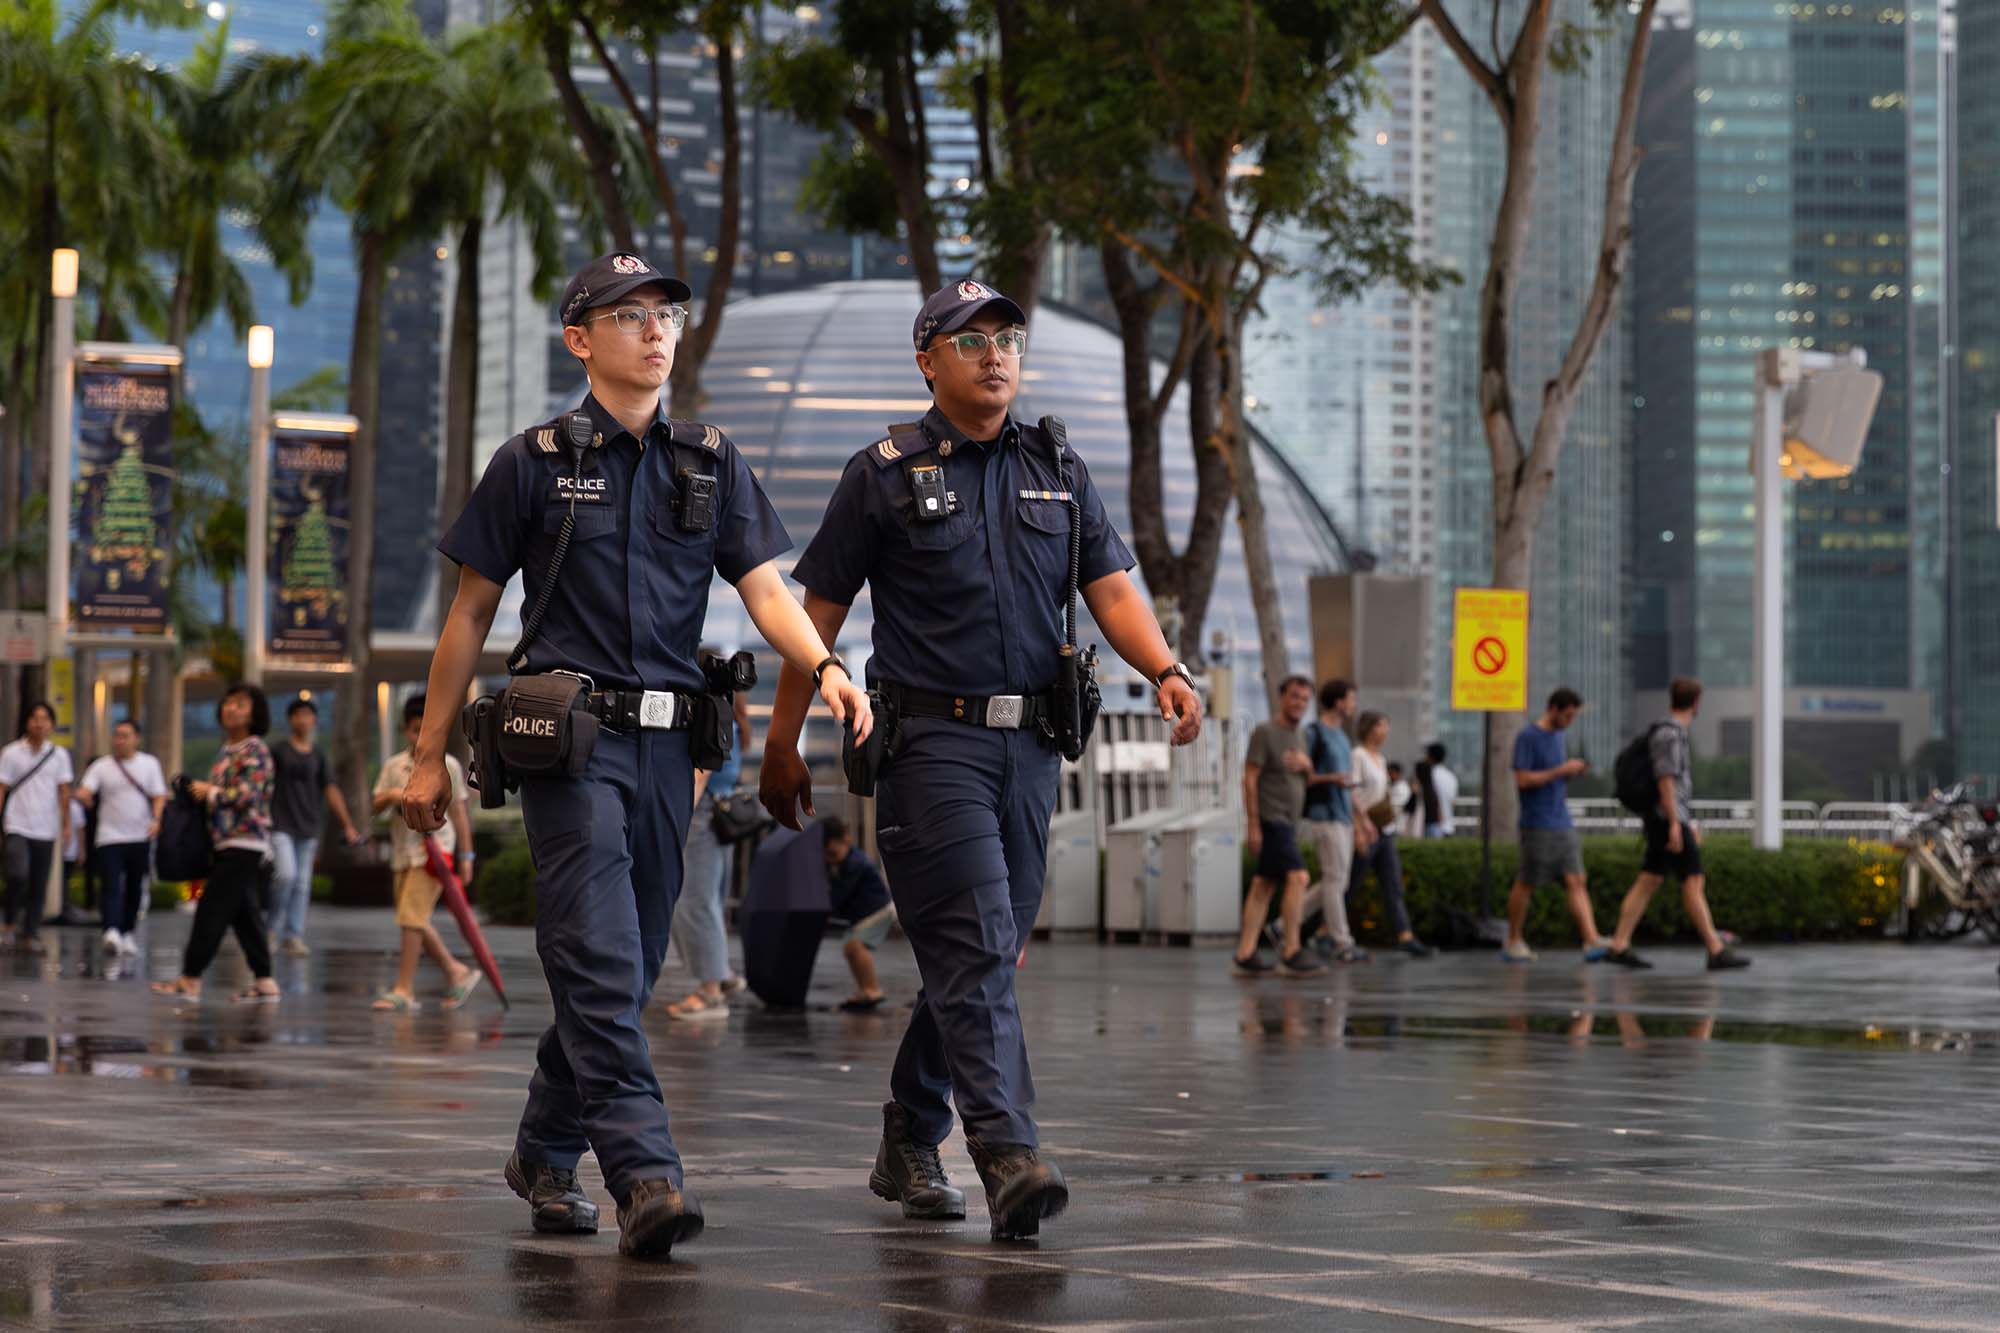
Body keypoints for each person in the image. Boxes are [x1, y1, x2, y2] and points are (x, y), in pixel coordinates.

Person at [399, 251, 871, 1260]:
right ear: (580, 339)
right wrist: (428, 758)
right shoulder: (530, 461)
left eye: (666, 314)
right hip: (569, 746)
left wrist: (826, 665)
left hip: (669, 751)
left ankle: (542, 1148)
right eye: (629, 316)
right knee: (602, 957)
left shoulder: (710, 459)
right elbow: (469, 614)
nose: (656, 330)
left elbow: (765, 589)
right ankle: (644, 1173)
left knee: (628, 960)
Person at [759, 278, 1202, 1242]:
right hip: (931, 746)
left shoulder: (1058, 466)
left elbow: (1111, 589)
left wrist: (1165, 667)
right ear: (928, 361)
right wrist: (782, 741)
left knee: (987, 949)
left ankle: (911, 1132)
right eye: (971, 341)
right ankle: (1007, 1151)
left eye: (1008, 338)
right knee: (974, 939)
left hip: (1031, 749)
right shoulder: (882, 473)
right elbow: (816, 614)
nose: (995, 354)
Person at [1603, 677, 1751, 971]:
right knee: (1692, 881)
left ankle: (1619, 944)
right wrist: (1675, 823)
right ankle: (1715, 949)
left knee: (1650, 880)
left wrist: (1683, 820)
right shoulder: (1670, 734)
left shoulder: (1669, 731)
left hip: (1668, 818)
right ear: (1696, 702)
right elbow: (1666, 780)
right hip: (1666, 818)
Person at [151, 683, 280, 1003]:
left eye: (240, 704)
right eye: (228, 702)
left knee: (211, 908)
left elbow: (250, 794)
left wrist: (211, 792)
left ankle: (190, 978)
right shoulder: (227, 750)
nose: (230, 708)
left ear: (255, 713)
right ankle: (265, 982)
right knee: (244, 913)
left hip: (245, 841)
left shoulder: (255, 749)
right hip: (225, 841)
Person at [372, 695, 481, 1012]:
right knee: (413, 919)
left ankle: (404, 989)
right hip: (402, 853)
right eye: (414, 729)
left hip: (434, 854)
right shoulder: (394, 766)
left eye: (425, 729)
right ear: (405, 730)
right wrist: (395, 795)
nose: (419, 737)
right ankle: (456, 971)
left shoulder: (449, 766)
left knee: (411, 918)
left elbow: (459, 814)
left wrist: (467, 857)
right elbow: (375, 803)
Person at [664, 655, 752, 1023]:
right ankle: (722, 975)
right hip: (721, 814)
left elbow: (700, 773)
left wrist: (677, 820)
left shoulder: (708, 711)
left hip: (700, 815)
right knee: (710, 900)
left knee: (694, 902)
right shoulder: (730, 715)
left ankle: (710, 991)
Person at [1504, 689, 1611, 964]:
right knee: (1527, 882)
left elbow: (1554, 777)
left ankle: (1591, 939)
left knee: (1576, 879)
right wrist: (1559, 771)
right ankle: (1513, 940)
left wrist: (1571, 773)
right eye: (1567, 715)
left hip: (1561, 818)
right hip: (1537, 821)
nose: (1569, 721)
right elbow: (1523, 779)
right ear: (1553, 708)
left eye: (1573, 716)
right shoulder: (1528, 737)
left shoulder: (1559, 737)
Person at [1236, 676, 1325, 978]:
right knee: (1299, 878)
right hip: (1271, 819)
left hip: (1289, 821)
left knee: (1264, 885)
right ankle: (1291, 950)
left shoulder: (1300, 736)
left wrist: (1308, 766)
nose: (1299, 703)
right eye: (1294, 696)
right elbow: (1249, 778)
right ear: (1282, 697)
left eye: (1305, 699)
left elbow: (1308, 781)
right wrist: (1253, 824)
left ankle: (1245, 953)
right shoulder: (1265, 732)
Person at [266, 697, 364, 957]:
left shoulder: (318, 756)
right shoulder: (278, 751)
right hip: (281, 825)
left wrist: (348, 826)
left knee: (302, 884)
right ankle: (271, 931)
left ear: (314, 720)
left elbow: (331, 790)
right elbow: (264, 785)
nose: (303, 719)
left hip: (308, 827)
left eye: (308, 715)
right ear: (290, 720)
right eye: (298, 715)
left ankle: (293, 936)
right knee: (285, 875)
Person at [76, 719, 168, 957]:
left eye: (125, 735)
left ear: (137, 738)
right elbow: (86, 789)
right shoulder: (101, 766)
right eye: (116, 735)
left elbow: (159, 795)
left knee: (135, 887)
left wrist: (157, 819)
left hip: (140, 835)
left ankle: (127, 931)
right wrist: (84, 796)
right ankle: (111, 930)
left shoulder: (149, 764)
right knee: (111, 884)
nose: (119, 740)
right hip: (109, 836)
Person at [1350, 711, 1432, 958]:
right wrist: (1360, 827)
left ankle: (1404, 935)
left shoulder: (1381, 759)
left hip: (1384, 830)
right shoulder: (1358, 755)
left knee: (1393, 884)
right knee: (1349, 884)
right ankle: (1323, 931)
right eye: (1382, 725)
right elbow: (1352, 793)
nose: (1386, 730)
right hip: (1366, 828)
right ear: (1369, 728)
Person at [1301, 680, 1366, 963]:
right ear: (1338, 702)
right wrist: (1332, 779)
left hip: (1343, 814)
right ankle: (1342, 941)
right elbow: (1304, 776)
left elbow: (1347, 781)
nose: (1353, 705)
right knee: (1335, 880)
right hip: (1324, 814)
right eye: (1351, 699)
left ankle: (1282, 925)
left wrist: (1361, 818)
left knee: (1337, 881)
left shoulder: (1342, 736)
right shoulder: (1314, 733)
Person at [0, 702, 73, 955]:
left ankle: (30, 933)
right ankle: (9, 923)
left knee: (39, 883)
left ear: (52, 725)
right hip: (17, 824)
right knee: (17, 874)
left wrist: (67, 825)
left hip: (46, 827)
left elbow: (63, 792)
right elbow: (2, 788)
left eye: (45, 719)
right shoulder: (11, 753)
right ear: (27, 722)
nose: (39, 723)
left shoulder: (59, 755)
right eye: (34, 718)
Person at [821, 817, 896, 1012]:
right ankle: (865, 989)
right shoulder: (840, 861)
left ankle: (872, 989)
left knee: (855, 947)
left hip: (878, 910)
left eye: (832, 854)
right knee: (850, 949)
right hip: (863, 914)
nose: (830, 859)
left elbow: (840, 894)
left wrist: (827, 910)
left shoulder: (856, 863)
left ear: (845, 841)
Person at [1419, 742, 1457, 838]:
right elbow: (1453, 802)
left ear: (1430, 757)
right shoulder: (1451, 776)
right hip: (1448, 826)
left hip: (1433, 826)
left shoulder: (1429, 775)